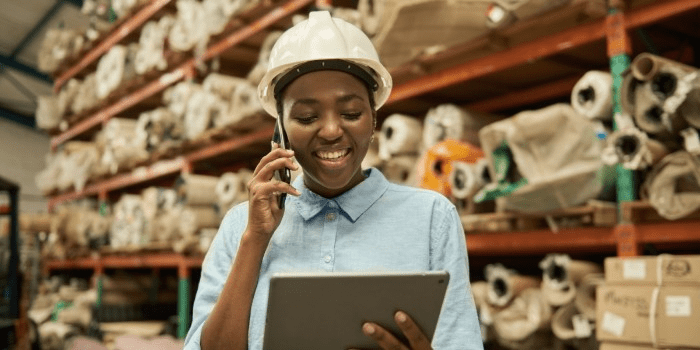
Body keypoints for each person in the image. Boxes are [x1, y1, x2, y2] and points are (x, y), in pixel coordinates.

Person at [184, 11, 483, 350]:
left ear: (373, 120)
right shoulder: (242, 225)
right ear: (280, 130)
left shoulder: (432, 218)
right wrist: (255, 240)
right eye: (307, 116)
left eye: (351, 113)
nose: (330, 131)